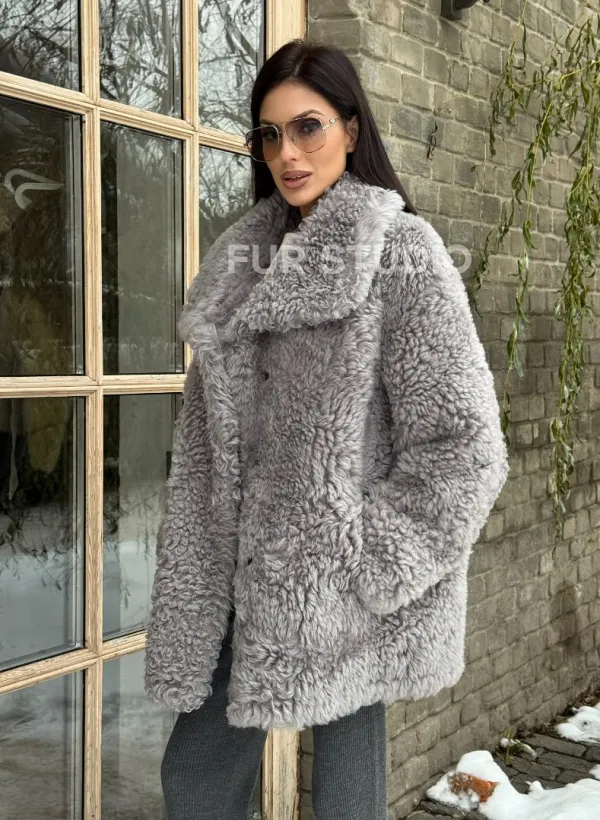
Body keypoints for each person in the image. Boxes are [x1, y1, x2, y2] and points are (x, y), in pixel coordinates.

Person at [144, 39, 510, 820]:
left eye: (307, 127)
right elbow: (208, 446)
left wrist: (369, 559)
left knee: (345, 801)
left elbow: (466, 446)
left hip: (349, 588)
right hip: (238, 574)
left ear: (350, 127)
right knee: (195, 782)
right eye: (269, 134)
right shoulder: (240, 262)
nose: (288, 153)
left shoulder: (402, 253)